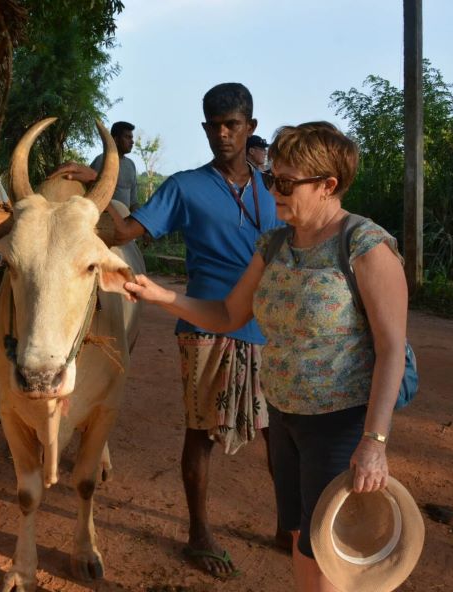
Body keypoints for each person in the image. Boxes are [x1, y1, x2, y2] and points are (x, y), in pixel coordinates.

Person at [123, 121, 408, 592]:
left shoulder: (365, 247)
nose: (271, 187)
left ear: (328, 186)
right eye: (272, 176)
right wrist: (161, 296)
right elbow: (229, 313)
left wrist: (374, 442)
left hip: (340, 423)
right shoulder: (274, 244)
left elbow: (391, 348)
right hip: (285, 417)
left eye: (285, 182)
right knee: (300, 538)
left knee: (331, 548)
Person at [107, 82, 283, 578]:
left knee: (280, 434)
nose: (224, 134)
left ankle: (288, 525)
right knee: (201, 431)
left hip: (267, 328)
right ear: (205, 129)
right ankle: (198, 532)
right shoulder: (183, 186)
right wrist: (96, 184)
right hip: (205, 325)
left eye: (234, 125)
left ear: (250, 127)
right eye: (215, 126)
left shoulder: (274, 188)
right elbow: (123, 233)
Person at [53, 120, 139, 210]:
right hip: (104, 216)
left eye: (131, 138)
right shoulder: (102, 161)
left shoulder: (131, 165)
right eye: (127, 137)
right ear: (116, 140)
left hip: (125, 219)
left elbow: (133, 201)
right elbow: (94, 192)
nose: (132, 141)